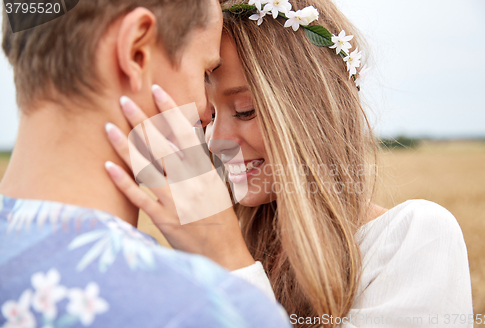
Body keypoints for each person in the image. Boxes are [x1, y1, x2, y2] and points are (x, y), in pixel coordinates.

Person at [103, 0, 474, 327]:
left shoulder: (414, 238)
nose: (215, 140)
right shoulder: (235, 246)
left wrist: (227, 259)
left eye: (245, 110)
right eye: (210, 115)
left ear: (313, 111)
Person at [0, 1, 291, 327]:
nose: (208, 113)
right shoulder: (210, 310)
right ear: (136, 51)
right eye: (205, 72)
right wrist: (234, 272)